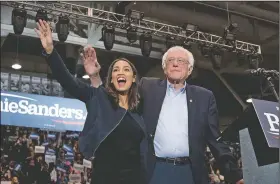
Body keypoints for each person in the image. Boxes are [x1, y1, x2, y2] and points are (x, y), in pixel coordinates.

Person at [88, 46, 244, 184]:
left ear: (189, 70)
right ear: (164, 68)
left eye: (181, 61)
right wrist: (95, 77)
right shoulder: (148, 87)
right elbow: (116, 102)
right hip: (154, 170)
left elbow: (215, 139)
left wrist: (235, 175)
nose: (175, 63)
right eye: (171, 60)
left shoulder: (204, 97)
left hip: (190, 172)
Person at [34, 19, 148, 184]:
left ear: (134, 78)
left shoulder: (141, 108)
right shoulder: (99, 99)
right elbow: (68, 82)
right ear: (111, 79)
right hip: (104, 178)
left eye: (126, 69)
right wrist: (51, 51)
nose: (120, 72)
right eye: (115, 70)